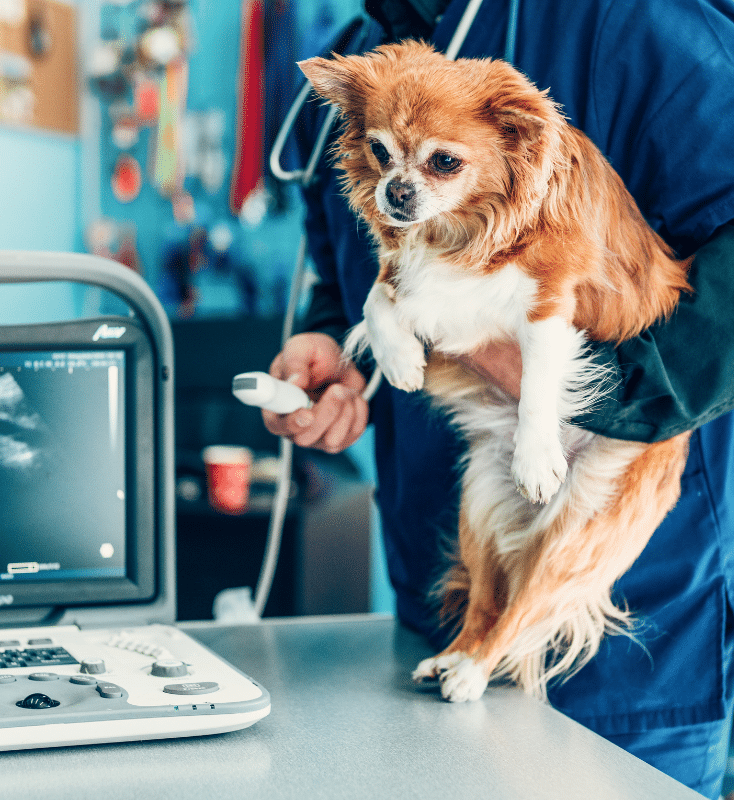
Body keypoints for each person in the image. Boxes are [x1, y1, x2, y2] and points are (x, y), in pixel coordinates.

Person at [262, 1, 734, 795]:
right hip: (431, 605)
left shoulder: (642, 22)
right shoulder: (361, 52)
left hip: (631, 650)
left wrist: (589, 395)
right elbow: (348, 241)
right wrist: (337, 339)